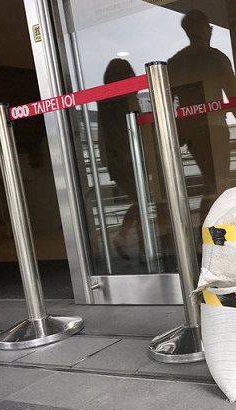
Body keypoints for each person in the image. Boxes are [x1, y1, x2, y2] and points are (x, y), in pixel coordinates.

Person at [167, 9, 236, 223]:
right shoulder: (216, 58)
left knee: (212, 182)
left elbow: (167, 103)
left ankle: (206, 232)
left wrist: (178, 133)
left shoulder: (175, 62)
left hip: (191, 132)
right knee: (218, 183)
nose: (210, 31)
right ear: (205, 30)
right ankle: (210, 232)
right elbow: (235, 98)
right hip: (214, 127)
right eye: (208, 27)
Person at [97, 58, 141, 260]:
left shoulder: (104, 100)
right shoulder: (126, 97)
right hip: (130, 157)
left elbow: (103, 134)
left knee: (140, 200)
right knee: (142, 199)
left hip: (117, 160)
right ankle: (132, 241)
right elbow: (135, 126)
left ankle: (128, 239)